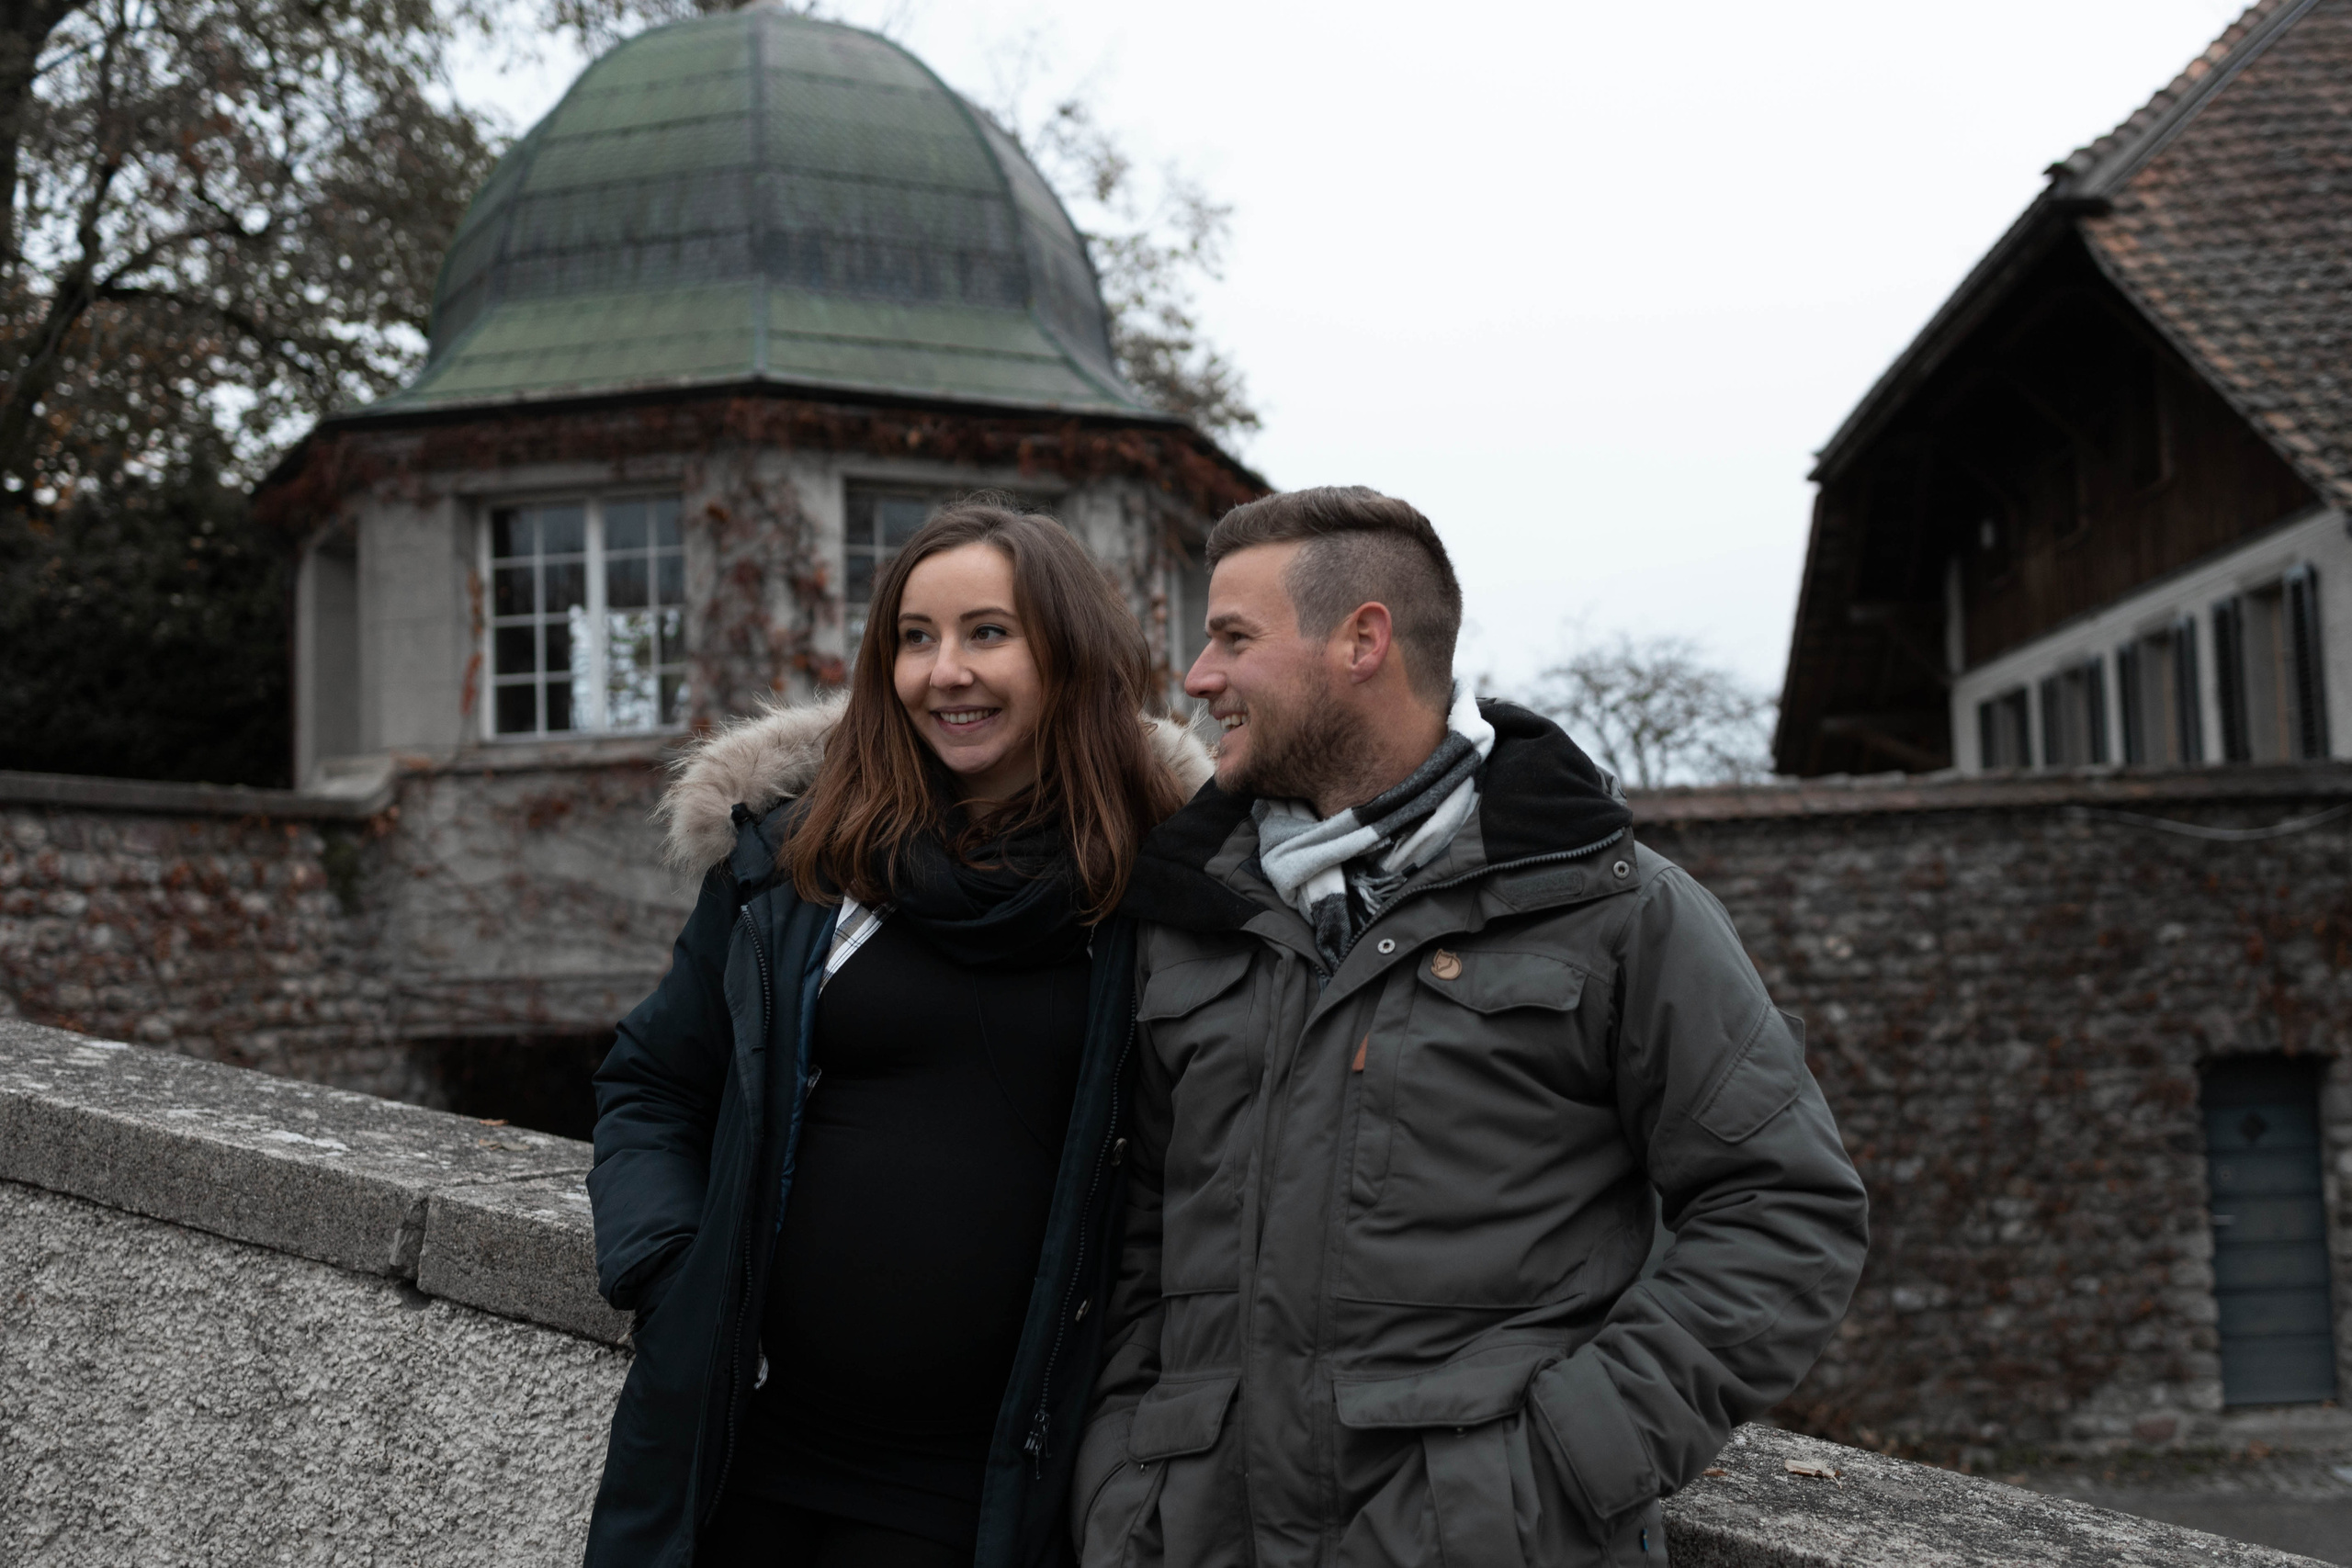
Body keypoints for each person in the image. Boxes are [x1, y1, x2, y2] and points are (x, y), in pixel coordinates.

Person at [1076, 487, 1870, 1566]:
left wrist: (1555, 1472)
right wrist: (1125, 1481)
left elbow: (1784, 1209)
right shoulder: (1190, 919)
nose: (1196, 677)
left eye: (1231, 638)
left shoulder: (1612, 909)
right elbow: (1140, 1243)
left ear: (1362, 641)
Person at [583, 502, 1211, 1568]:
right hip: (743, 1444)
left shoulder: (1161, 892)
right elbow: (652, 1083)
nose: (943, 671)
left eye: (986, 633)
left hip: (986, 1486)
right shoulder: (797, 867)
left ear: (1069, 656)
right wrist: (674, 1270)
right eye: (913, 639)